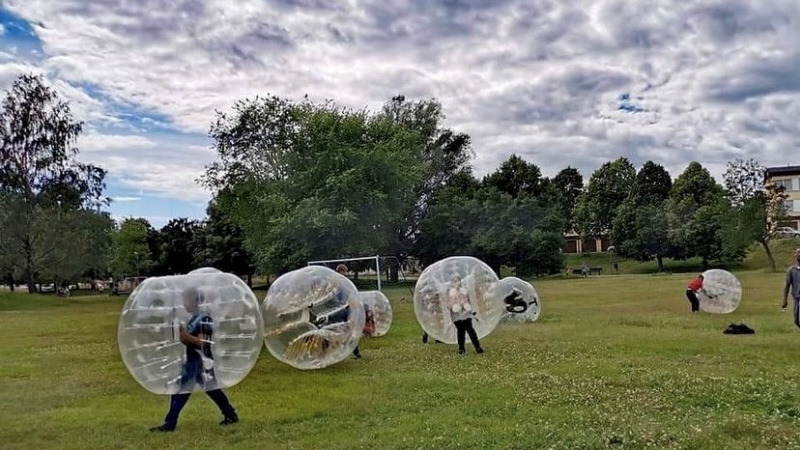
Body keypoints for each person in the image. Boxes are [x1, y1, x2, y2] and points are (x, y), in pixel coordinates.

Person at [150, 287, 238, 432]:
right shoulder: (194, 317)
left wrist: (184, 335)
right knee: (208, 390)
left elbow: (202, 343)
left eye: (186, 300)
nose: (184, 304)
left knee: (187, 390)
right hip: (194, 362)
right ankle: (230, 415)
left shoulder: (204, 319)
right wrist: (180, 334)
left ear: (195, 300)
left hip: (201, 363)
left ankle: (170, 424)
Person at [447, 277, 484, 355]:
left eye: (458, 281)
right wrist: (455, 306)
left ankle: (477, 346)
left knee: (470, 329)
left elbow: (469, 301)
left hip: (466, 314)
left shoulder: (464, 291)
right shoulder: (450, 293)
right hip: (456, 315)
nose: (457, 283)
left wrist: (468, 308)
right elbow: (449, 304)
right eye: (454, 282)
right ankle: (461, 348)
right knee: (460, 331)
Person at [334, 264, 362, 359]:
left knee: (347, 331)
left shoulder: (343, 283)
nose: (346, 274)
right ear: (340, 271)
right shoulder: (338, 283)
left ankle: (355, 353)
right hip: (339, 311)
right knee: (342, 331)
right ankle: (351, 353)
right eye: (345, 271)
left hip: (344, 310)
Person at [781, 248, 800, 327]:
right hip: (796, 298)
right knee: (796, 320)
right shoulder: (791, 270)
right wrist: (784, 300)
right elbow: (787, 285)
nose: (799, 254)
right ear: (795, 255)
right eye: (798, 252)